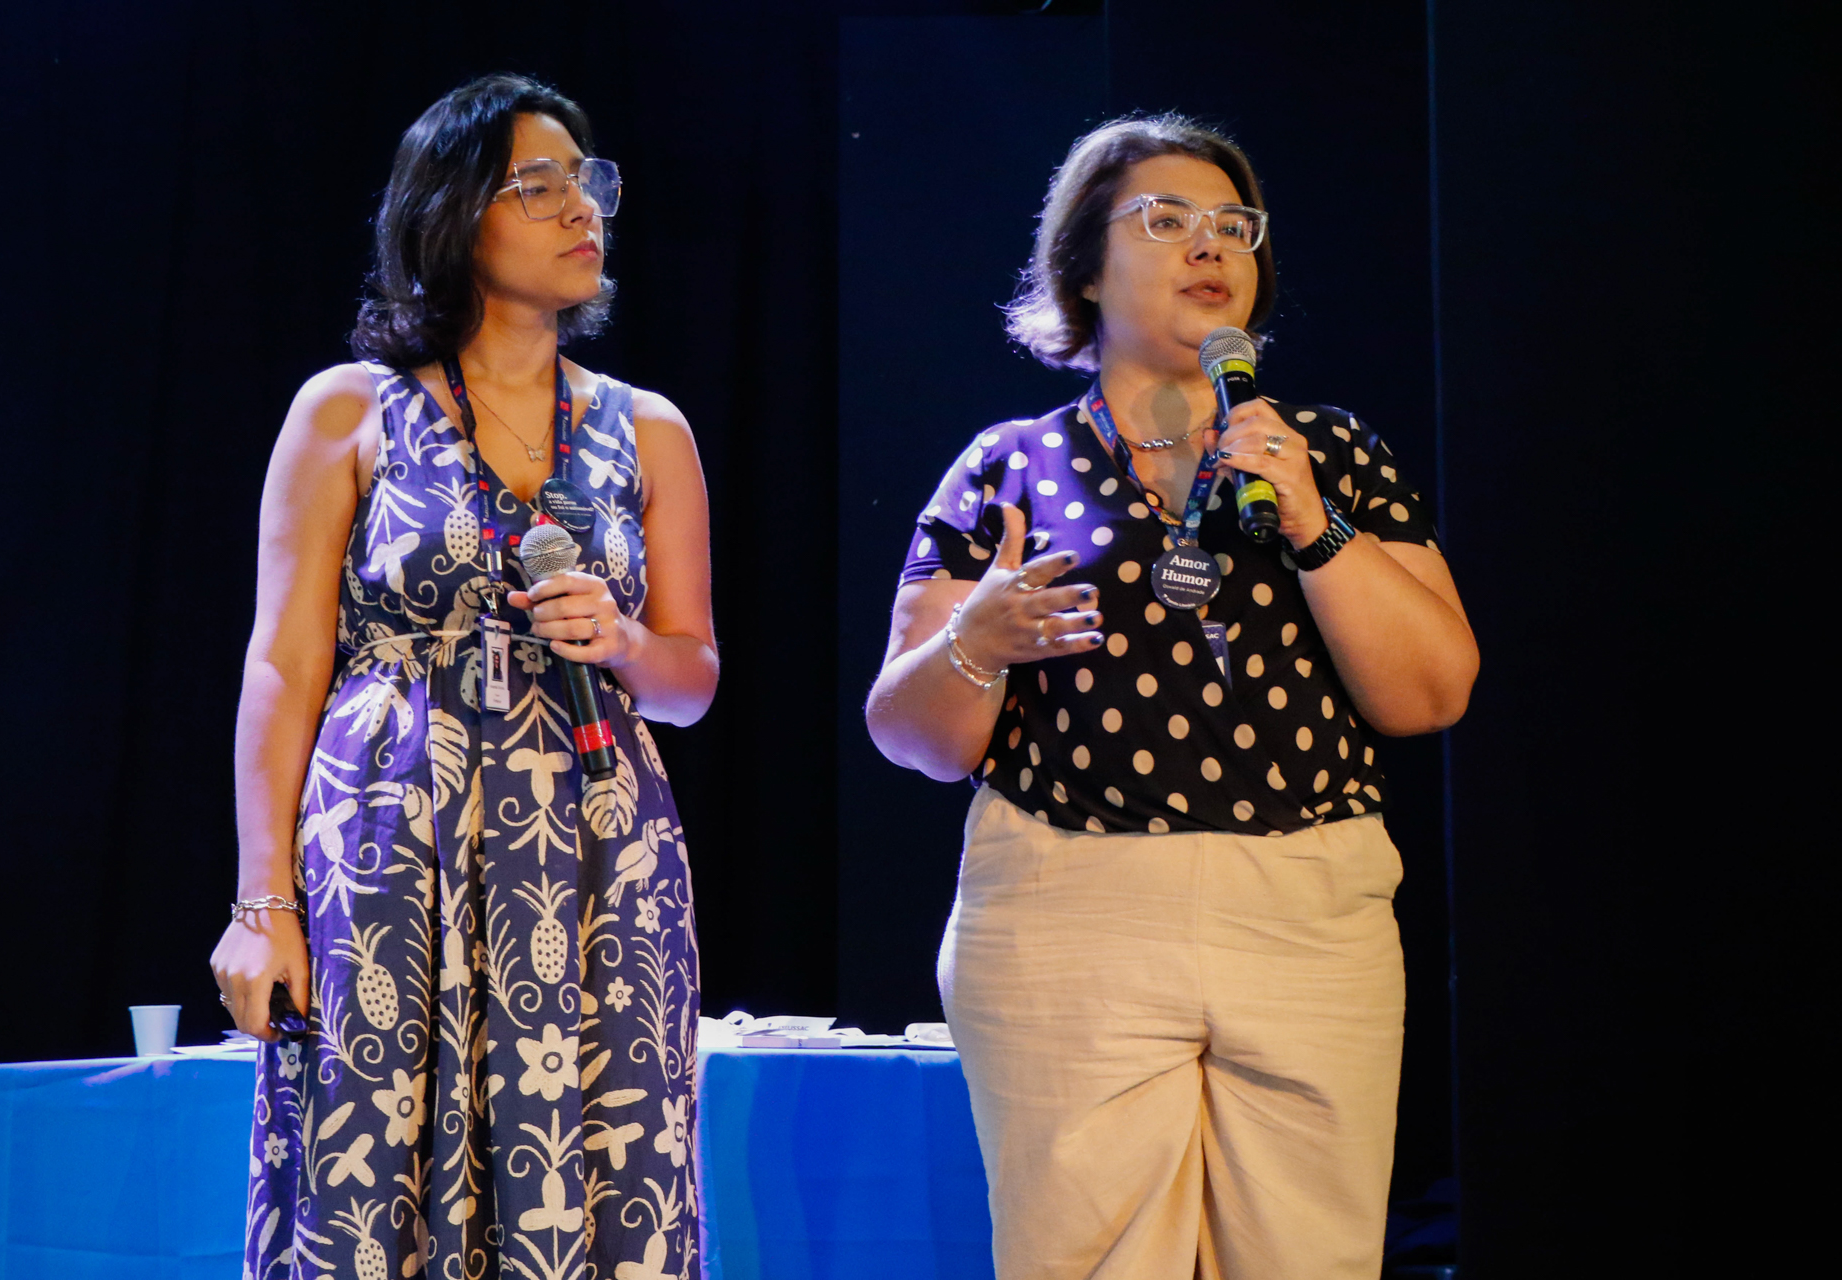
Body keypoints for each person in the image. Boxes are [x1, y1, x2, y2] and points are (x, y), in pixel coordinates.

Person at [866, 114, 1478, 1280]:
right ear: (1086, 268)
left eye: (1234, 225)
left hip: (1308, 907)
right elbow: (908, 732)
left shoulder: (1327, 451)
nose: (1211, 245)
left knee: (1313, 1257)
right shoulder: (1009, 464)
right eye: (1166, 219)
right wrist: (973, 642)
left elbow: (1433, 689)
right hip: (1069, 903)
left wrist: (1315, 521)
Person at [209, 74, 716, 1279]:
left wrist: (625, 642)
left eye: (589, 183)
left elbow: (691, 675)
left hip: (597, 849)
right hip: (391, 835)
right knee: (370, 1162)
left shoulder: (648, 428)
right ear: (452, 214)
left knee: (606, 1166)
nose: (581, 209)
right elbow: (283, 662)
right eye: (538, 185)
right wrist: (260, 904)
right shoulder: (351, 409)